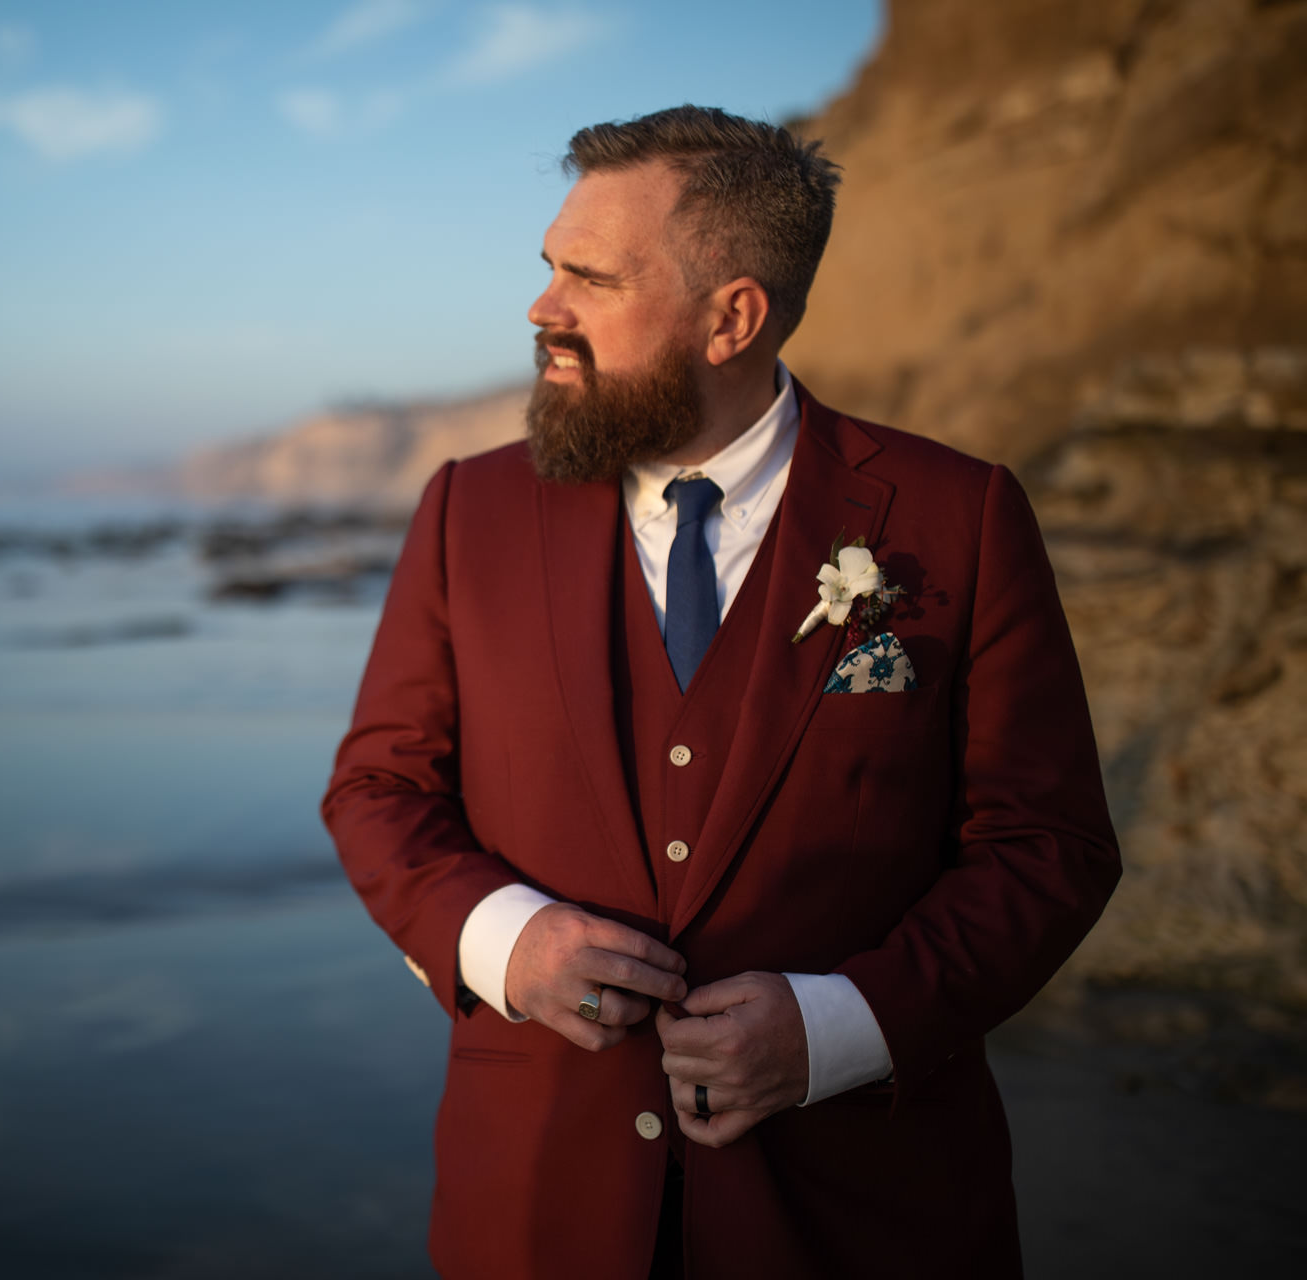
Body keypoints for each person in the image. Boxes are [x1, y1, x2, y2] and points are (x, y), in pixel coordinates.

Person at [320, 106, 1120, 1280]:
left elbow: (1048, 846)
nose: (543, 306)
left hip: (866, 1217)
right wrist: (506, 942)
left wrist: (836, 1029)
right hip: (539, 1212)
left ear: (731, 316)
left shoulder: (961, 517)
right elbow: (378, 788)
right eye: (548, 266)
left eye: (589, 278)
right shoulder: (466, 510)